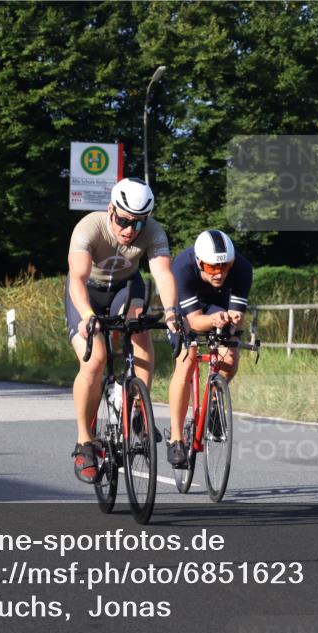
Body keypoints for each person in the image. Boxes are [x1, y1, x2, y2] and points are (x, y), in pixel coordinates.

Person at [66, 177, 180, 483]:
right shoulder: (89, 227)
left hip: (125, 288)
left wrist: (172, 312)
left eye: (138, 223)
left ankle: (138, 410)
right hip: (87, 292)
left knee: (140, 329)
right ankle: (85, 441)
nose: (130, 230)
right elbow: (77, 277)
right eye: (124, 221)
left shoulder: (154, 231)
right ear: (110, 210)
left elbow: (163, 273)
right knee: (95, 359)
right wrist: (88, 315)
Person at [165, 230, 253, 468]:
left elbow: (237, 318)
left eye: (225, 266)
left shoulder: (242, 268)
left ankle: (213, 402)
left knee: (230, 356)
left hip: (216, 304)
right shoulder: (182, 267)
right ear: (199, 262)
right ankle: (176, 439)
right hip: (184, 311)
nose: (220, 273)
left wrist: (233, 321)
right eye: (212, 267)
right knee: (187, 358)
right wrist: (214, 320)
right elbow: (194, 321)